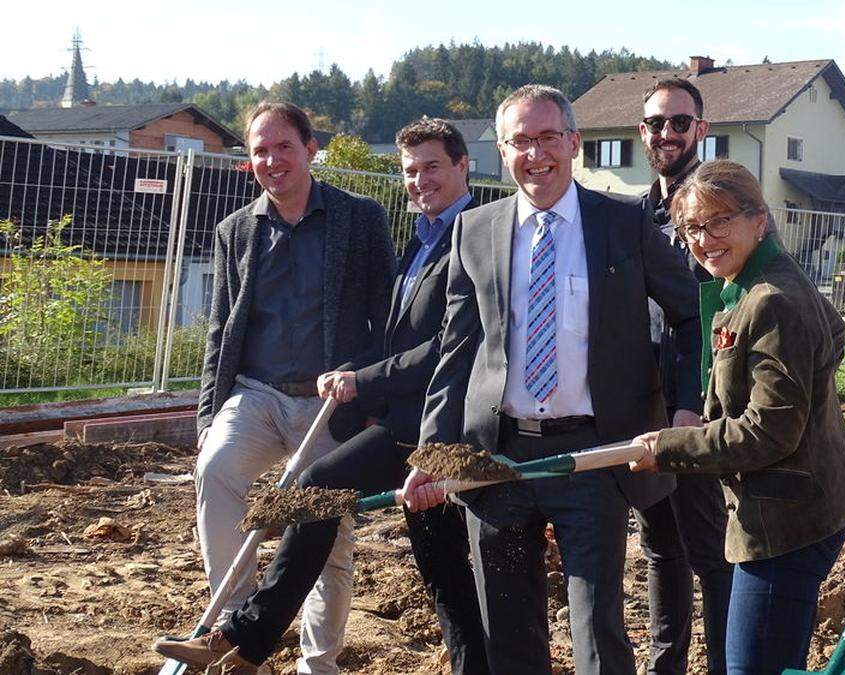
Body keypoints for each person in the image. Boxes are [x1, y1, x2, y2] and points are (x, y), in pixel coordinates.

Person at [155, 118, 489, 673]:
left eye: (433, 167)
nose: (419, 180)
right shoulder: (424, 237)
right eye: (410, 170)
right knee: (442, 566)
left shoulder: (474, 234)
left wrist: (362, 380)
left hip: (437, 418)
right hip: (387, 409)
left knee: (328, 493)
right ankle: (239, 634)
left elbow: (453, 346)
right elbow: (388, 328)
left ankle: (255, 641)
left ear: (463, 165)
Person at [403, 84, 700, 675]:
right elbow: (457, 351)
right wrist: (433, 453)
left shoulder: (623, 224)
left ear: (573, 143)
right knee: (509, 635)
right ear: (503, 151)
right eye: (519, 141)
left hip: (593, 456)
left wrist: (686, 406)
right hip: (498, 459)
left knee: (597, 630)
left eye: (546, 139)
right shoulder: (476, 231)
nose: (534, 154)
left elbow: (690, 313)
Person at [628, 159, 845, 675]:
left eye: (720, 221)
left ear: (758, 220)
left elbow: (770, 430)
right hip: (801, 506)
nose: (704, 238)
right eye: (693, 227)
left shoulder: (771, 299)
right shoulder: (752, 283)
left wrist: (669, 447)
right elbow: (826, 340)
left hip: (787, 521)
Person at [180, 101, 396, 673]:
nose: (272, 160)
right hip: (255, 394)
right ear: (249, 161)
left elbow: (387, 315)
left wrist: (375, 398)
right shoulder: (236, 231)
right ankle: (232, 630)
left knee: (328, 531)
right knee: (216, 470)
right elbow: (220, 331)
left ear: (309, 149)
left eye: (283, 148)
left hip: (332, 405)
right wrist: (207, 420)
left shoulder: (360, 219)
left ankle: (316, 664)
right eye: (260, 151)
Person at [636, 76, 733, 675]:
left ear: (701, 129)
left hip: (701, 405)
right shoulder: (635, 215)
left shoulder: (719, 205)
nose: (666, 133)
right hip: (645, 402)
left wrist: (697, 400)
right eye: (655, 124)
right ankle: (665, 663)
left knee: (708, 545)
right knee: (657, 546)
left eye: (679, 123)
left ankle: (727, 663)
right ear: (641, 133)